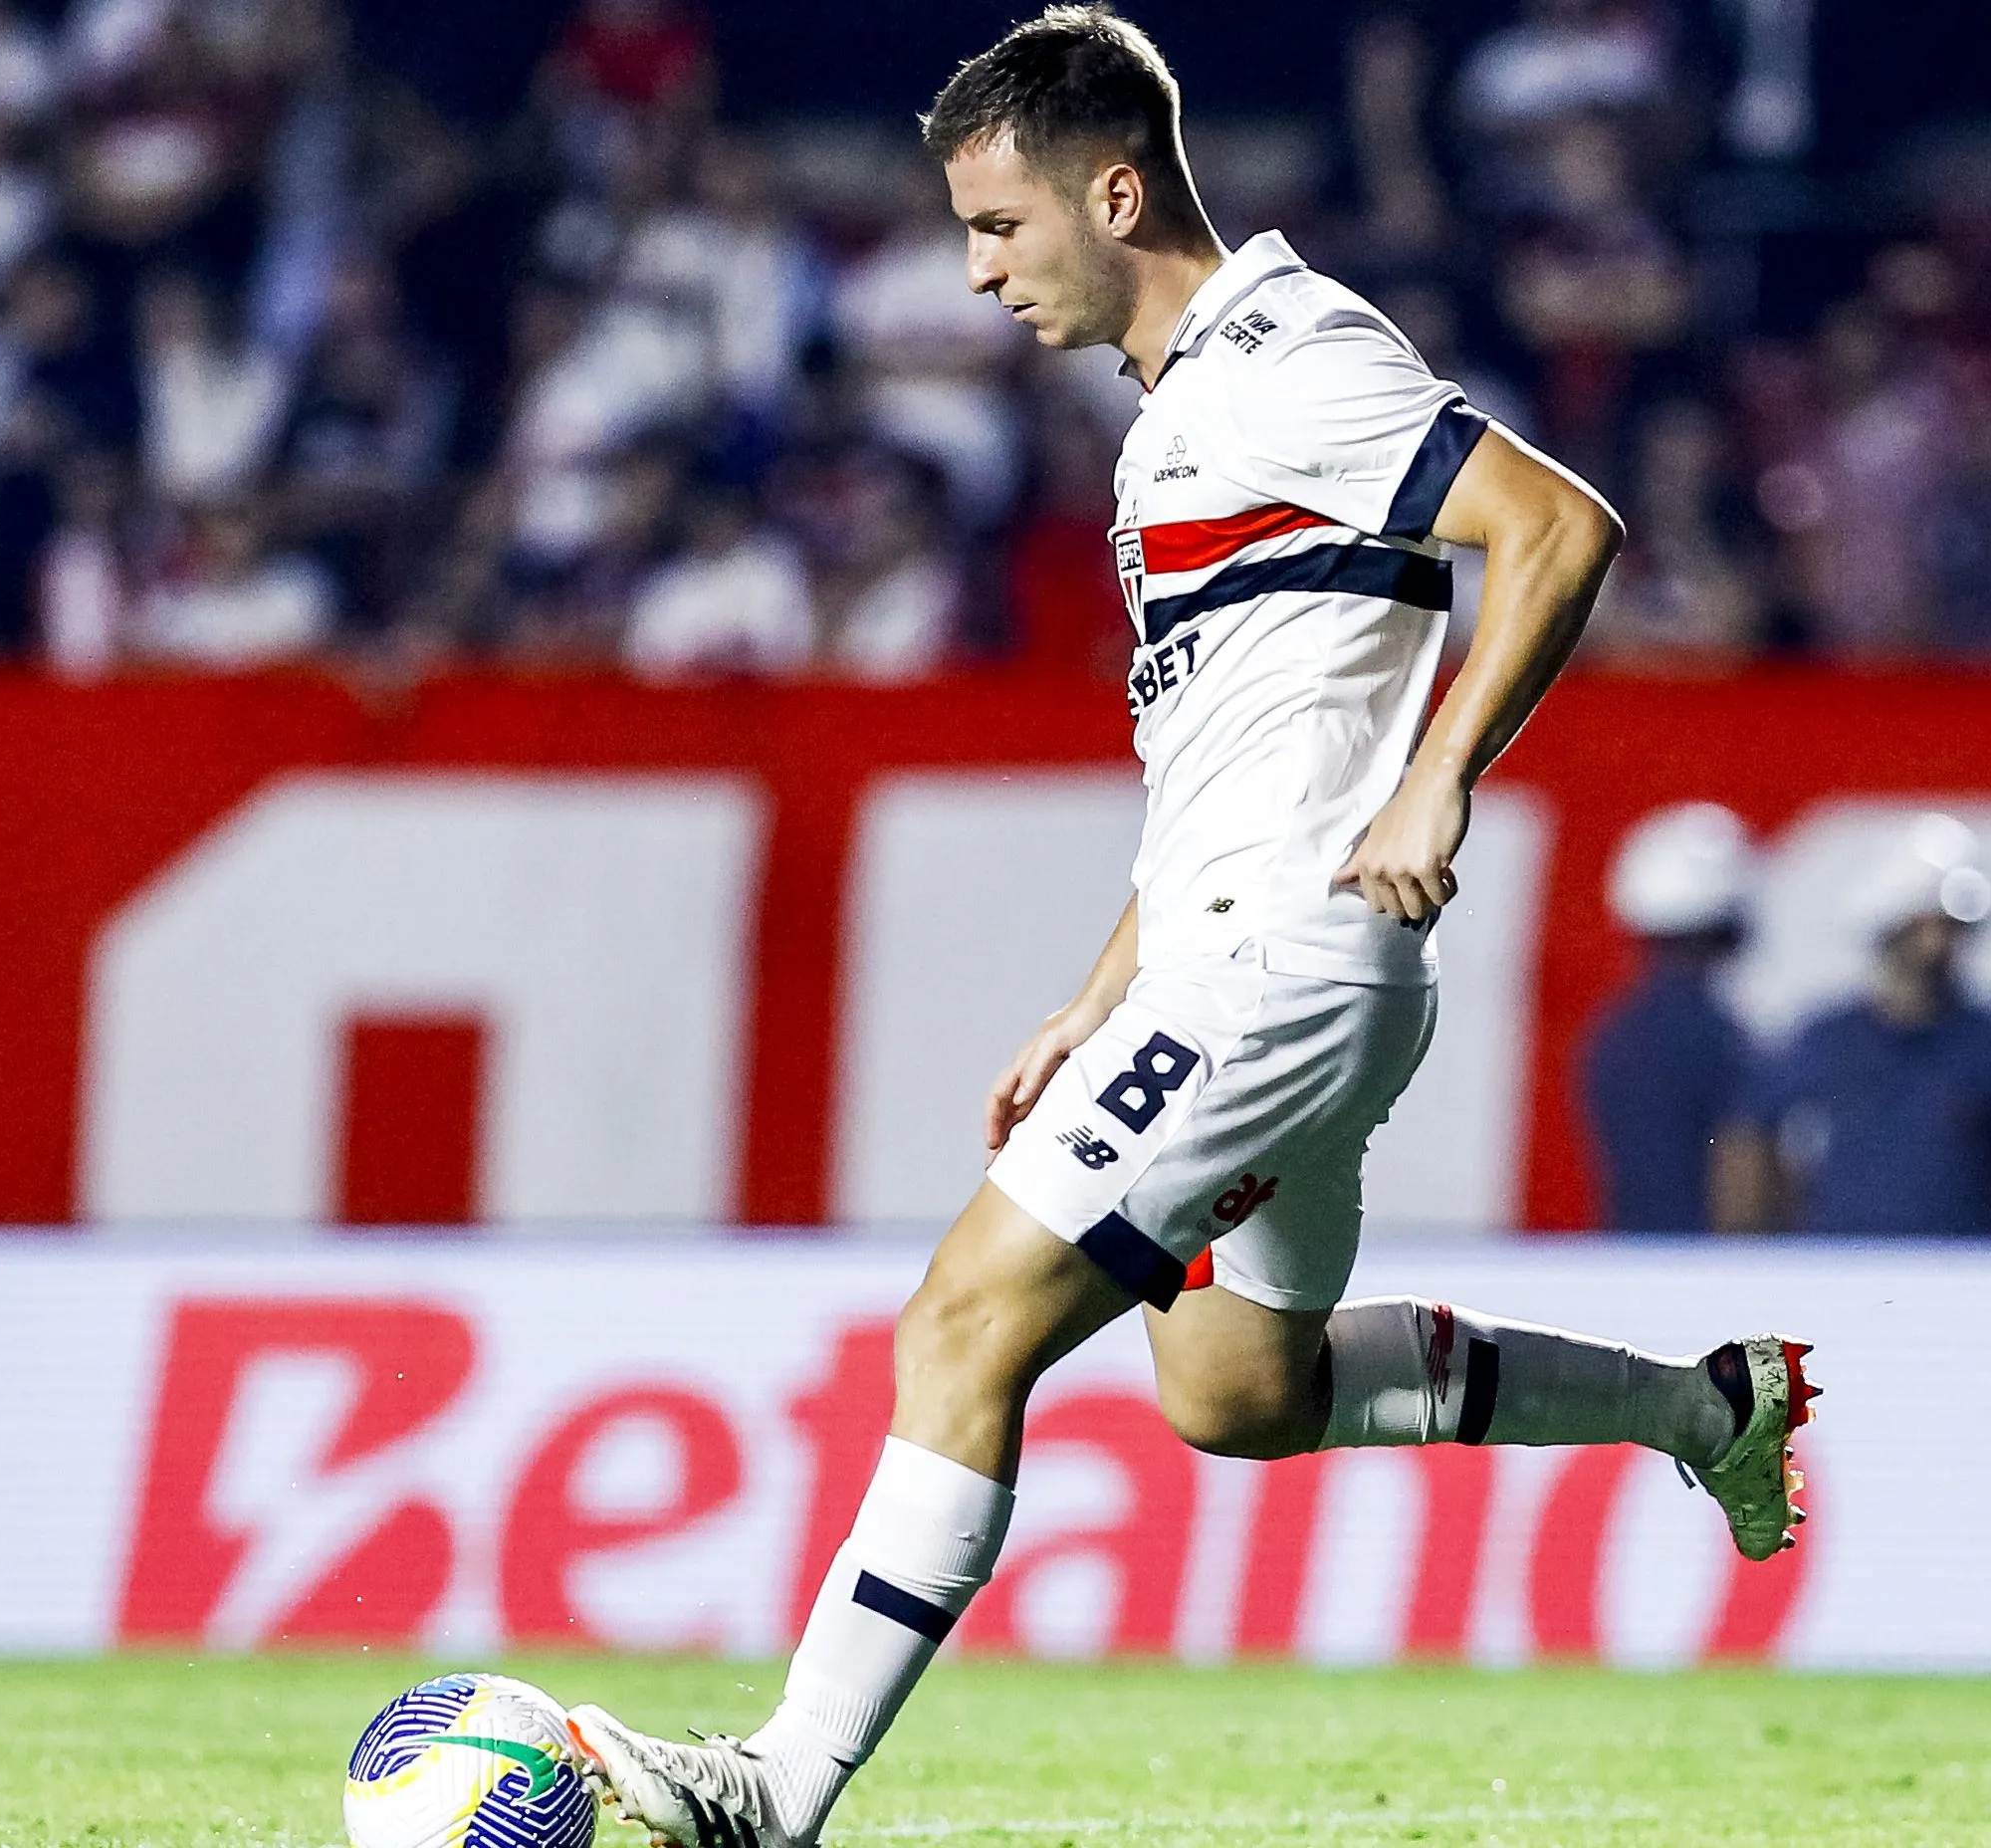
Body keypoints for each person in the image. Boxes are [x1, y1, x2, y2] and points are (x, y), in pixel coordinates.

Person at [559, 17, 1816, 1848]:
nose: (978, 271)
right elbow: (1232, 770)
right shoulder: (1174, 430)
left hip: (1290, 962)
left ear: (1115, 192)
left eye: (999, 226)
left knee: (960, 1325)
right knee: (1238, 1393)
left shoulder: (1286, 359)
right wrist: (1094, 997)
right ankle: (1702, 1409)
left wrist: (1441, 776)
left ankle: (775, 1789)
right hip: (1259, 956)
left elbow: (1556, 528)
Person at [1727, 814, 1991, 1238]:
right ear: (1890, 928)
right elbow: (1747, 1134)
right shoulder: (1827, 1036)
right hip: (1842, 1278)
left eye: (1952, 927)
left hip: (1966, 1280)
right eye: (1925, 925)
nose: (1939, 943)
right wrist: (1766, 1247)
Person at [1580, 803, 1760, 1232]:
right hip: (1703, 1271)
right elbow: (1742, 1187)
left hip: (1624, 1258)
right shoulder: (1724, 1040)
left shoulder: (1610, 1035)